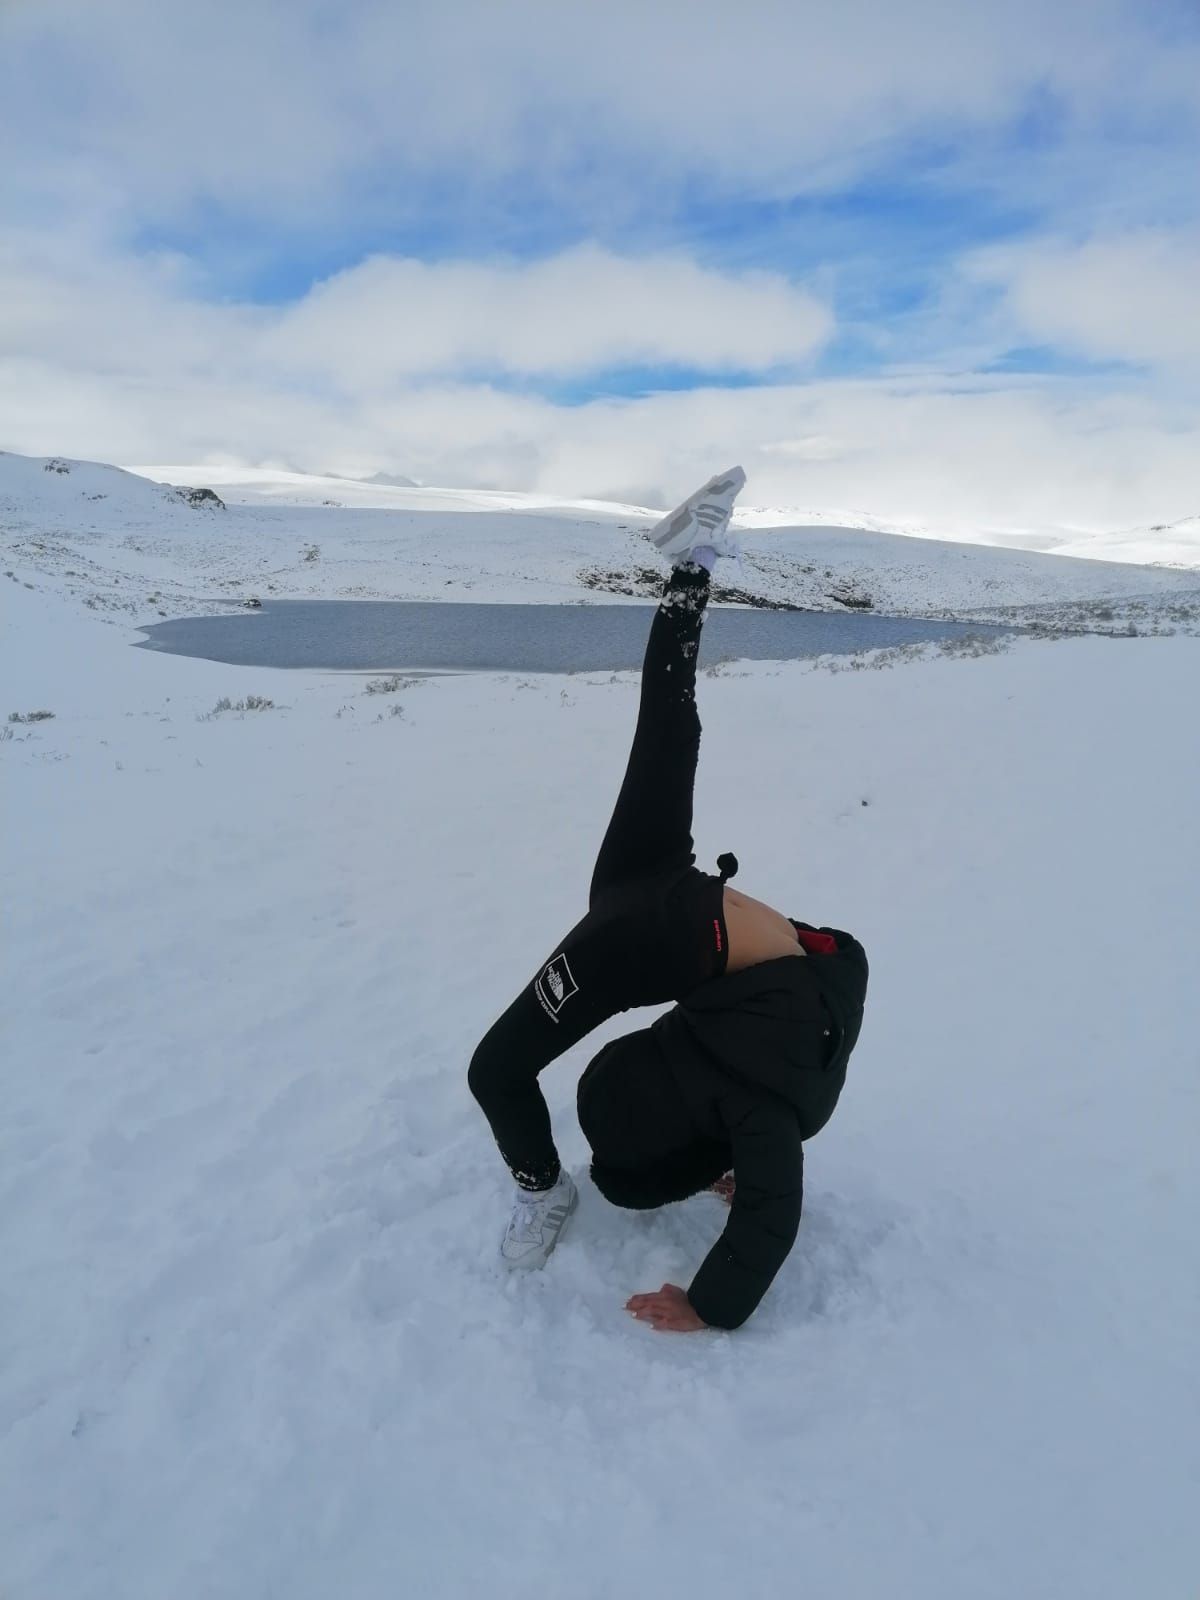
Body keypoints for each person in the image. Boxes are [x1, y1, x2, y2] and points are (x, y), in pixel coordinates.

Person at [468, 468, 869, 1332]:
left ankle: (698, 560)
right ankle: (696, 555)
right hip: (648, 920)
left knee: (669, 718)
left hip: (666, 895)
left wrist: (725, 1164)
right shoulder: (766, 1095)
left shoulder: (805, 1033)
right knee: (496, 1070)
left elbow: (767, 1190)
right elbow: (773, 1211)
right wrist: (712, 1306)